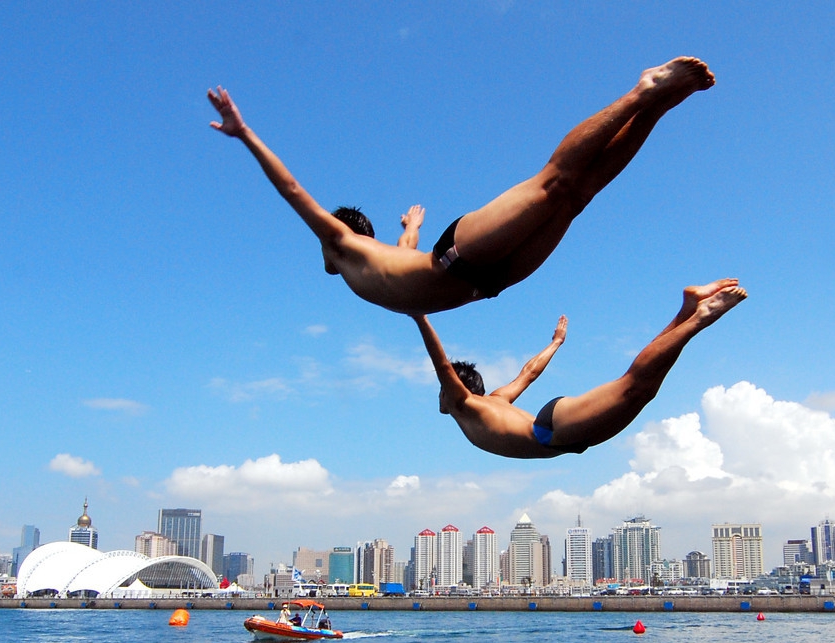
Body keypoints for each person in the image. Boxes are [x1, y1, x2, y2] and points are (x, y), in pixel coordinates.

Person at [207, 58, 715, 316]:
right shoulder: (374, 256)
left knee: (555, 184)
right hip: (491, 282)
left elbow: (292, 190)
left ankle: (641, 90)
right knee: (578, 198)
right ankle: (661, 106)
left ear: (332, 234)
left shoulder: (339, 244)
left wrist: (244, 133)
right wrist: (412, 226)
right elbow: (402, 256)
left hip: (459, 259)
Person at [413, 280, 747, 458]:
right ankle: (687, 311)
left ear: (453, 389)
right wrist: (555, 343)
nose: (440, 395)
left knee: (634, 387)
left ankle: (701, 318)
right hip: (560, 438)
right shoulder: (497, 400)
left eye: (443, 388)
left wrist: (419, 315)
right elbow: (528, 373)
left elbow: (441, 363)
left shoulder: (463, 404)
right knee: (639, 392)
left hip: (549, 432)